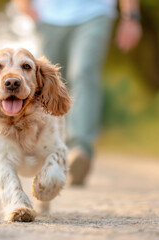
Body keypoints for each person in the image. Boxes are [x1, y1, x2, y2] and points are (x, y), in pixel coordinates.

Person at [13, 0, 142, 185]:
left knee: (84, 73)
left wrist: (131, 16)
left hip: (95, 12)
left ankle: (79, 149)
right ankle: (52, 151)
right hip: (49, 16)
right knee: (51, 85)